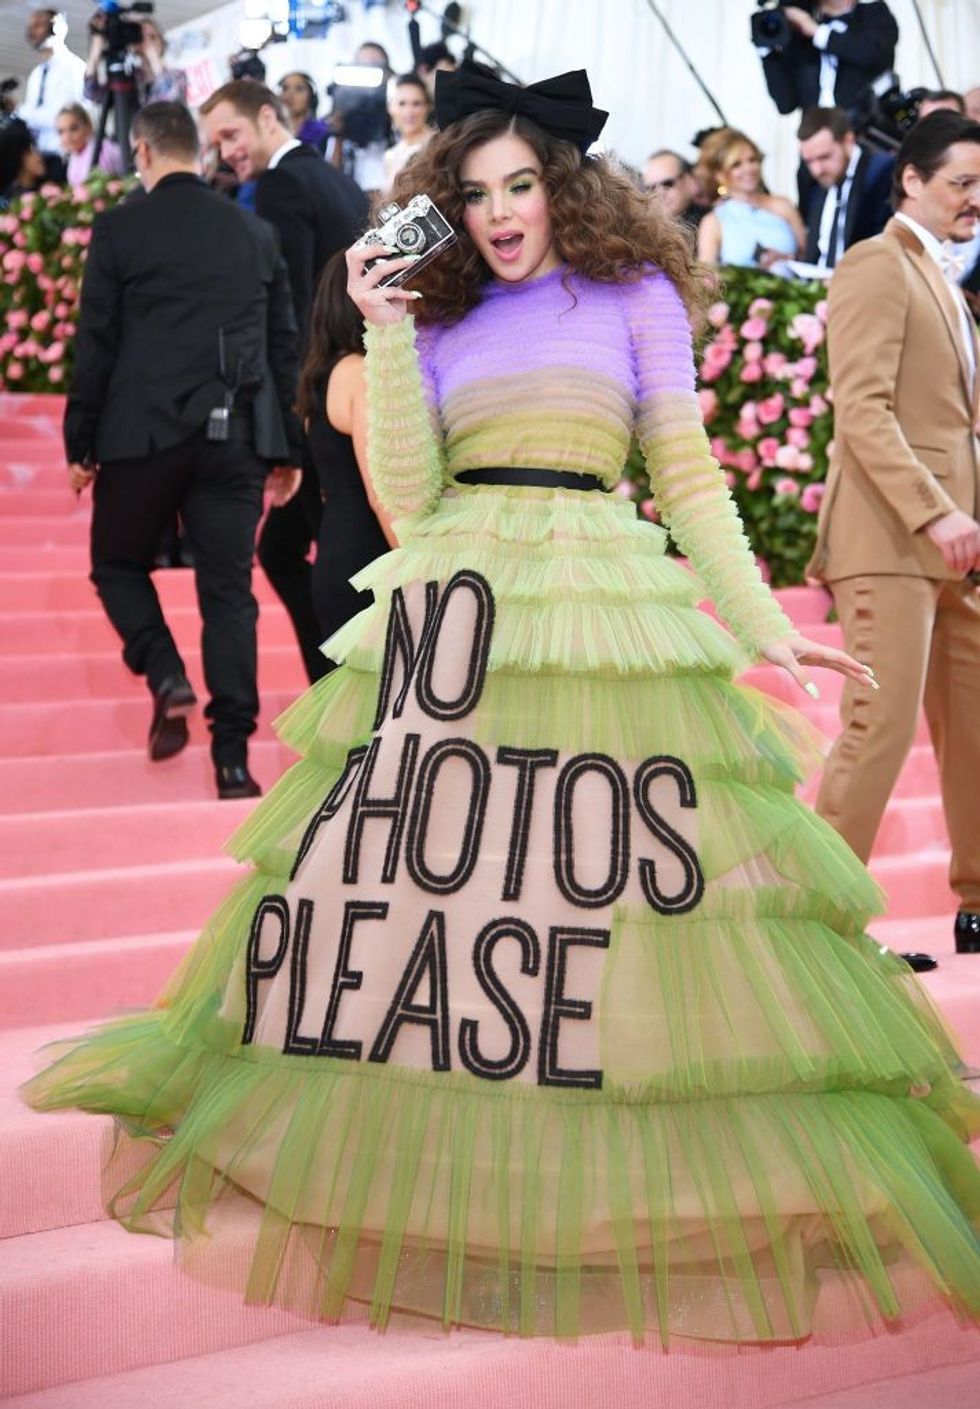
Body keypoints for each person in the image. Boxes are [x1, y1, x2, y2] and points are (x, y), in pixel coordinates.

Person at [23, 67, 980, 1348]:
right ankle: (449, 1188)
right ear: (445, 205)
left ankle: (599, 1183)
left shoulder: (636, 294)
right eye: (473, 193)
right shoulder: (437, 314)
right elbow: (410, 498)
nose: (499, 213)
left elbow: (685, 475)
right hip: (460, 614)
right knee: (449, 911)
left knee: (603, 894)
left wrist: (763, 629)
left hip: (598, 596)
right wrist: (381, 327)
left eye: (520, 184)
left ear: (564, 186)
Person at [63, 101, 304, 800]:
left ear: (139, 153)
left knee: (115, 564)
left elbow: (97, 343)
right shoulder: (254, 233)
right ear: (194, 151)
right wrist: (285, 445)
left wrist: (81, 442)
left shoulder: (119, 229)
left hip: (140, 437)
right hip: (233, 441)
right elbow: (280, 346)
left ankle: (166, 671)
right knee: (229, 595)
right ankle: (233, 760)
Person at [808, 110, 980, 963]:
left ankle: (978, 905)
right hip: (891, 535)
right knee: (878, 725)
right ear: (910, 179)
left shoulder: (942, 276)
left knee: (974, 724)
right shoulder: (875, 262)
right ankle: (820, 926)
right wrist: (935, 509)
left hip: (955, 545)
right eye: (962, 182)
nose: (975, 200)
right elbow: (862, 409)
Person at [201, 79, 370, 686]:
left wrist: (296, 417)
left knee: (323, 554)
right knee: (303, 549)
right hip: (359, 387)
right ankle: (339, 684)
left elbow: (291, 304)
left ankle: (341, 689)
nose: (225, 152)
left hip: (324, 397)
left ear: (268, 117)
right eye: (215, 141)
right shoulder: (335, 178)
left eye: (230, 134)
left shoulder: (281, 184)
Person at [298, 251, 394, 648]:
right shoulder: (358, 372)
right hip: (369, 558)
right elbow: (378, 490)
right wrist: (417, 561)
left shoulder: (319, 378)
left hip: (335, 551)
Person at [757, 1, 898, 120]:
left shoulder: (873, 14)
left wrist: (817, 32)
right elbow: (785, 104)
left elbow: (870, 54)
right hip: (817, 140)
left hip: (866, 131)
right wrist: (767, 50)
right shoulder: (799, 35)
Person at [798, 106, 893, 269]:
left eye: (824, 157)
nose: (816, 170)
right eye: (809, 161)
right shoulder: (810, 178)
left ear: (848, 141)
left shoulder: (881, 171)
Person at [697, 128, 805, 268]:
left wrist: (787, 258)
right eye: (736, 164)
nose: (748, 168)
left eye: (752, 160)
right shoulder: (713, 222)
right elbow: (707, 276)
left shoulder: (783, 206)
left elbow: (808, 256)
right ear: (720, 174)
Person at [84, 15, 188, 118]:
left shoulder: (178, 76)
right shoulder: (131, 78)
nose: (147, 42)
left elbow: (170, 101)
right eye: (141, 36)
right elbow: (91, 94)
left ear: (161, 42)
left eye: (152, 37)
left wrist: (152, 55)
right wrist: (95, 51)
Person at [17, 8, 86, 161]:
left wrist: (27, 116)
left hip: (64, 154)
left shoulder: (73, 67)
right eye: (30, 27)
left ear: (57, 28)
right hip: (38, 154)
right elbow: (30, 111)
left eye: (38, 25)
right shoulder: (36, 74)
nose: (32, 31)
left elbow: (64, 114)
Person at [383, 72, 433, 190]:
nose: (409, 112)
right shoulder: (390, 156)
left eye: (416, 104)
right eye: (402, 103)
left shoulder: (438, 145)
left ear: (428, 107)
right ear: (390, 108)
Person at [56, 101, 124, 183]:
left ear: (88, 126)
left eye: (73, 129)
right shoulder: (74, 157)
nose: (67, 137)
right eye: (61, 132)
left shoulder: (103, 149)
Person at [642, 148, 710, 229]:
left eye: (667, 183)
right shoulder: (645, 229)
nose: (659, 193)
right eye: (651, 188)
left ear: (688, 179)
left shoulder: (714, 222)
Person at [278, 71, 331, 153]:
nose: (290, 94)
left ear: (311, 97)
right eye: (285, 88)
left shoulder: (322, 131)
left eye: (299, 89)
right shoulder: (272, 131)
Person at [0, 119, 49, 207]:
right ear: (18, 158)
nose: (38, 155)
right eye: (31, 151)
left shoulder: (50, 187)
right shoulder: (8, 203)